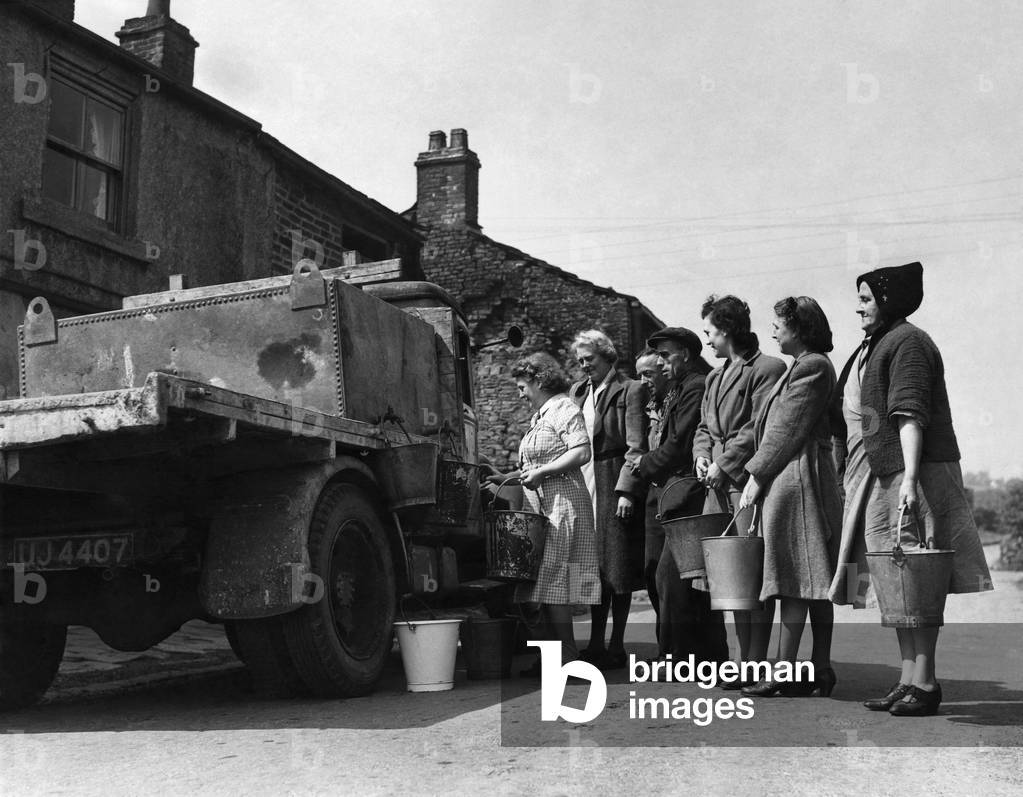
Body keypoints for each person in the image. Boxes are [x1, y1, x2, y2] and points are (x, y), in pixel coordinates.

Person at [829, 262, 992, 716]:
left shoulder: (908, 343)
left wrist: (911, 480)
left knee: (918, 575)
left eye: (865, 298)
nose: (858, 306)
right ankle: (907, 679)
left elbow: (910, 414)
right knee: (895, 578)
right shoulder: (878, 343)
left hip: (914, 471)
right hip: (889, 473)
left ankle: (926, 681)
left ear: (888, 301)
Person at [738, 297, 843, 697]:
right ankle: (819, 667)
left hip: (796, 478)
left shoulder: (813, 366)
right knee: (810, 575)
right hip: (795, 475)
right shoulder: (802, 367)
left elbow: (787, 428)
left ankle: (787, 670)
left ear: (800, 328)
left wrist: (756, 475)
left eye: (779, 323)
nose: (773, 330)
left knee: (795, 575)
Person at [490, 352, 602, 674]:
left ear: (539, 381)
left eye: (523, 386)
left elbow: (582, 451)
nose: (520, 393)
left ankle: (567, 659)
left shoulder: (564, 408)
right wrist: (503, 477)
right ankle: (555, 657)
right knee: (546, 585)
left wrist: (543, 473)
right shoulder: (540, 416)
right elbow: (533, 466)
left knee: (556, 585)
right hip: (543, 507)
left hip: (563, 505)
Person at [693, 295, 786, 680]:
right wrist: (701, 456)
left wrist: (724, 463)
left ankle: (755, 660)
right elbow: (703, 428)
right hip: (715, 486)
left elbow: (758, 427)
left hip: (746, 483)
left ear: (727, 330)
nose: (707, 340)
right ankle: (740, 659)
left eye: (710, 332)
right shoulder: (714, 377)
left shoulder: (767, 368)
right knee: (729, 578)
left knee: (752, 574)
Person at [638, 327, 728, 663]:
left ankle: (686, 655)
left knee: (678, 577)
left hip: (687, 489)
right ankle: (685, 653)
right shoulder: (679, 388)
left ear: (685, 355)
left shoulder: (695, 386)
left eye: (666, 355)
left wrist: (643, 465)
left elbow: (677, 446)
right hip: (669, 489)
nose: (660, 363)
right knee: (667, 576)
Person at [569, 330, 649, 670]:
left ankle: (616, 643)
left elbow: (636, 445)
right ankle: (594, 642)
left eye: (590, 359)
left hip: (613, 475)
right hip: (584, 478)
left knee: (618, 563)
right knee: (592, 565)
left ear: (607, 356)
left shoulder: (631, 389)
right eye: (580, 361)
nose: (585, 365)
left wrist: (627, 490)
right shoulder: (577, 392)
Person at [635, 348, 675, 639]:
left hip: (676, 489)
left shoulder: (676, 400)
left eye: (647, 373)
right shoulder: (650, 406)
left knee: (670, 576)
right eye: (638, 375)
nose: (642, 380)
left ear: (665, 369)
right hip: (652, 491)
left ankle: (676, 650)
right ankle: (666, 646)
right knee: (651, 570)